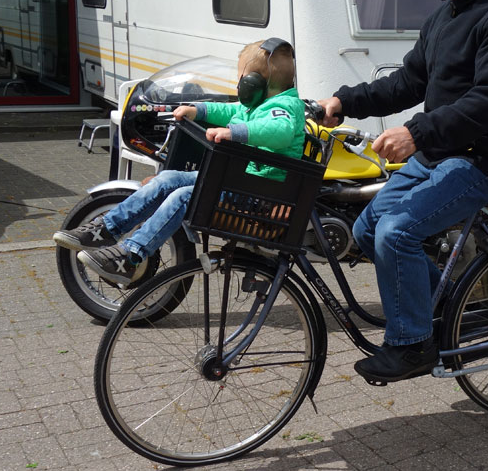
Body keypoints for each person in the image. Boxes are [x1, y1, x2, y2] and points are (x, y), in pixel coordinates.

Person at [317, 0, 488, 384]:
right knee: (369, 227)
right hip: (440, 153)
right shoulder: (444, 15)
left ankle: (412, 344)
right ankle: (442, 307)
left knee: (397, 233)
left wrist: (416, 133)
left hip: (485, 158)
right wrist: (344, 101)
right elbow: (408, 81)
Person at [53, 38, 304, 288]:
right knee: (167, 178)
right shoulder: (258, 105)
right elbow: (230, 110)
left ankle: (131, 257)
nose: (238, 84)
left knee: (185, 196)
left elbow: (279, 130)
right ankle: (107, 229)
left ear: (256, 82)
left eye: (241, 78)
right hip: (243, 183)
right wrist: (197, 110)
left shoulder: (284, 106)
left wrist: (234, 133)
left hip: (262, 194)